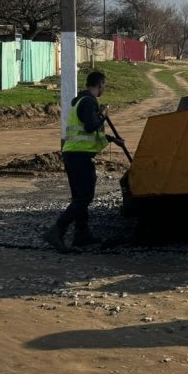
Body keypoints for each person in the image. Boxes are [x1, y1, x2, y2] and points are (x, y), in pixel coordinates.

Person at [43, 71, 126, 253]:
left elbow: (89, 132)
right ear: (100, 84)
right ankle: (56, 231)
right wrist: (103, 114)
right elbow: (90, 125)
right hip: (79, 156)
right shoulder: (89, 102)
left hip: (72, 154)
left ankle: (82, 234)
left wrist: (112, 140)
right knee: (85, 197)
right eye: (104, 85)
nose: (104, 89)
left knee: (79, 196)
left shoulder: (79, 101)